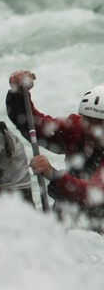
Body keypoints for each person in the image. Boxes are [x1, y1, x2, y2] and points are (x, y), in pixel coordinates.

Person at [6, 71, 104, 212]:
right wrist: (19, 93)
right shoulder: (77, 128)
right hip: (69, 211)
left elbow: (95, 193)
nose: (92, 128)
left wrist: (54, 174)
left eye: (100, 122)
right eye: (88, 120)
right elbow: (34, 125)